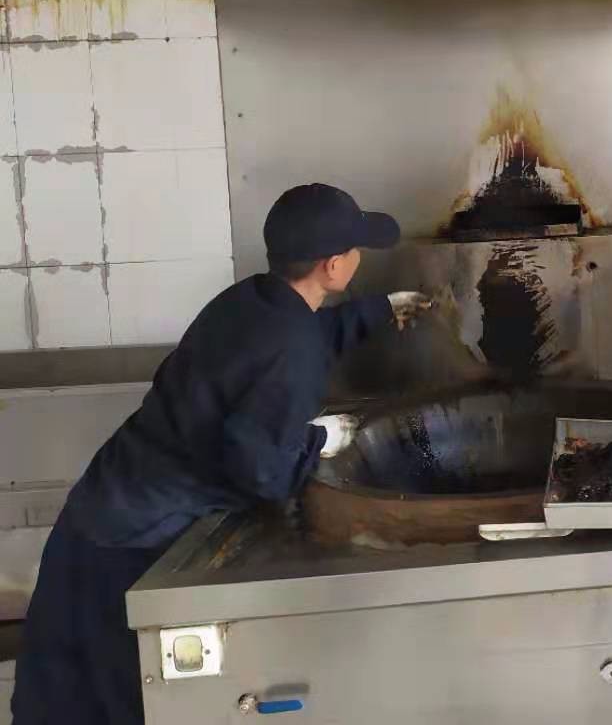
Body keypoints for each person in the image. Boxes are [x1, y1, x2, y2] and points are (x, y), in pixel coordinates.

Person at [11, 183, 430, 725]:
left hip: (97, 506)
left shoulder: (248, 299)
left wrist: (377, 311)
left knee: (57, 690)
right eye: (355, 250)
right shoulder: (292, 350)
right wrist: (320, 440)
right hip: (137, 540)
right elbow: (262, 470)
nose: (358, 258)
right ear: (333, 266)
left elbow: (298, 334)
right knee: (116, 701)